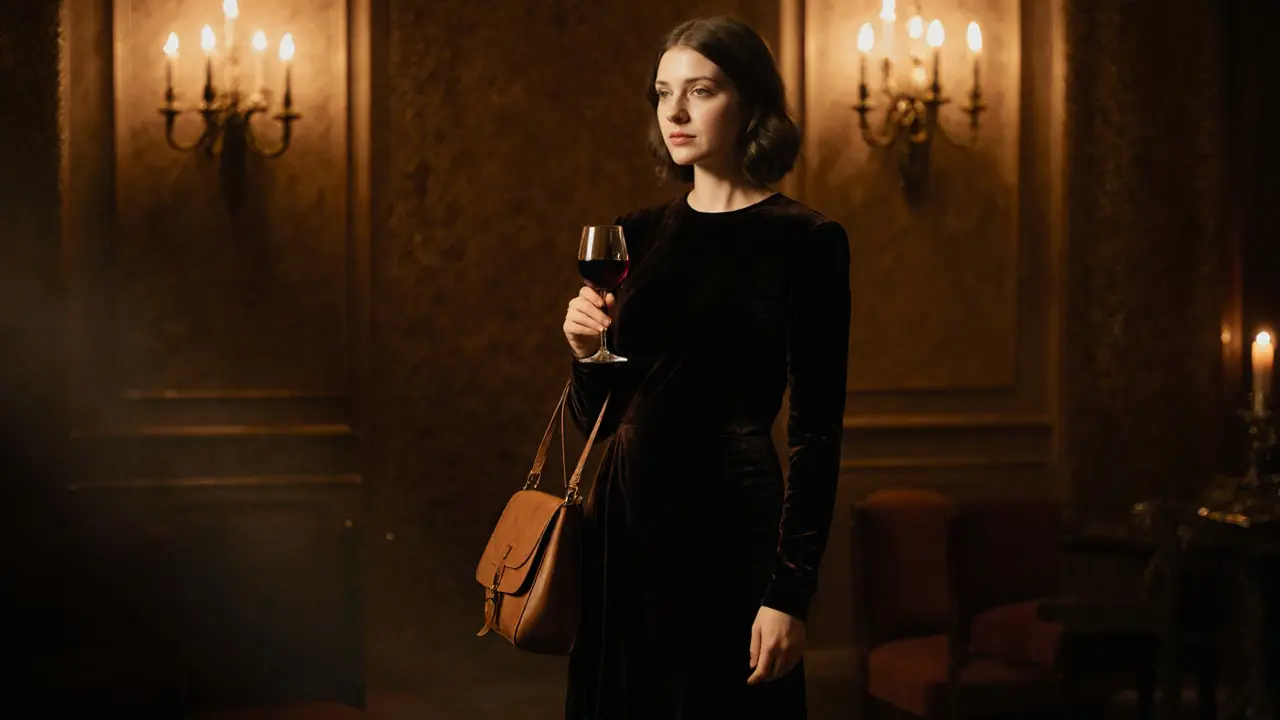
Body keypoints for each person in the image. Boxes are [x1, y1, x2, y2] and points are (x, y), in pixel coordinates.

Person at [560, 15, 851, 720]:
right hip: (626, 526)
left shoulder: (806, 242)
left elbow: (817, 435)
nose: (676, 113)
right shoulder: (639, 233)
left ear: (750, 103)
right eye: (663, 94)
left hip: (732, 527)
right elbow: (594, 418)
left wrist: (789, 593)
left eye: (701, 91)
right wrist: (587, 354)